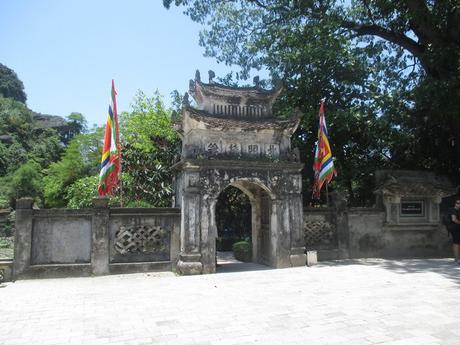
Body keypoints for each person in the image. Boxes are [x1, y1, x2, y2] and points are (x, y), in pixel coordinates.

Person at [447, 198, 460, 263]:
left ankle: (458, 258)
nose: (459, 204)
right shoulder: (452, 210)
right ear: (455, 204)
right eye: (458, 203)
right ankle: (456, 259)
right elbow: (454, 219)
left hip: (457, 228)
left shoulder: (458, 210)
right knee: (456, 243)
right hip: (455, 229)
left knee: (458, 243)